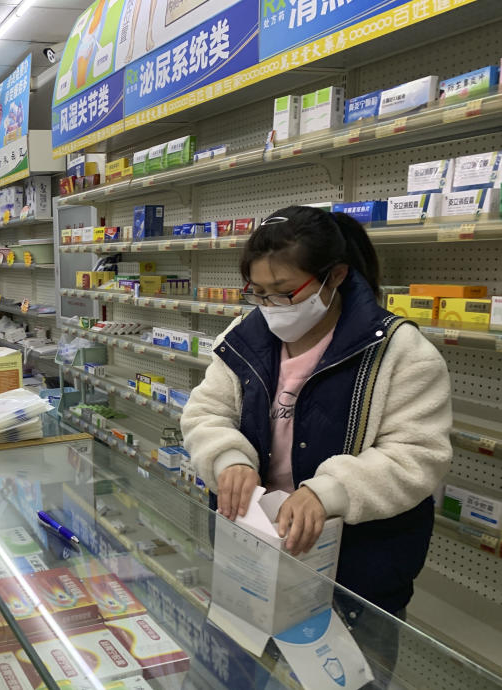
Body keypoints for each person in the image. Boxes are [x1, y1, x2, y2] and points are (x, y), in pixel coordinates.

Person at [181, 205, 452, 621]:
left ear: (336, 276)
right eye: (257, 291)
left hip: (356, 574)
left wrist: (327, 493)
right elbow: (206, 412)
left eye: (285, 291)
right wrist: (228, 458)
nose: (270, 305)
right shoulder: (244, 337)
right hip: (255, 552)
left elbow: (417, 456)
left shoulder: (401, 353)